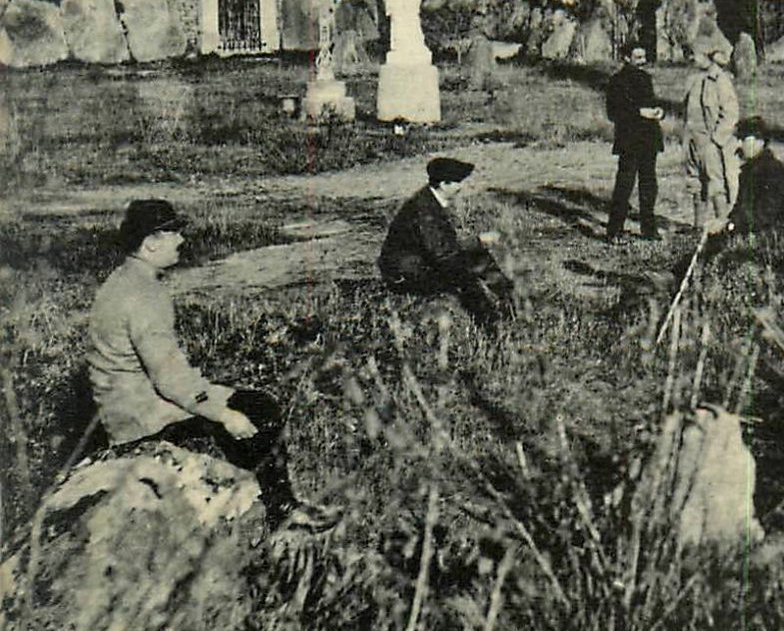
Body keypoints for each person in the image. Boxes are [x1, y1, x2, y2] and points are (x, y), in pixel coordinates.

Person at [86, 199, 338, 532]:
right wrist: (224, 415)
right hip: (144, 421)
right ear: (150, 243)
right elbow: (169, 380)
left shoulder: (120, 282)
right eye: (173, 232)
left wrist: (216, 394)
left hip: (122, 412)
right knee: (259, 409)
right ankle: (281, 509)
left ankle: (265, 502)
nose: (181, 239)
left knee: (234, 395)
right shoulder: (145, 296)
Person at [379, 157, 515, 326]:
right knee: (466, 277)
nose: (461, 187)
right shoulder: (425, 210)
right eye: (457, 182)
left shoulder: (428, 199)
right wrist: (479, 240)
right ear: (443, 184)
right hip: (407, 274)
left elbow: (440, 246)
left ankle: (510, 305)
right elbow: (443, 254)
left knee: (477, 259)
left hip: (415, 263)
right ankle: (492, 324)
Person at [604, 43, 664, 242]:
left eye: (644, 56)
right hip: (629, 141)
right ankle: (614, 231)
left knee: (649, 186)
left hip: (649, 140)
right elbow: (613, 113)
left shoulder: (646, 78)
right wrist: (639, 113)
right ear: (626, 58)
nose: (642, 61)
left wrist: (658, 111)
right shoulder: (617, 81)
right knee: (624, 185)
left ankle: (649, 230)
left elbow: (652, 102)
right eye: (637, 57)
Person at [683, 40, 740, 225]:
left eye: (696, 55)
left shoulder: (720, 80)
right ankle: (698, 226)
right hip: (692, 139)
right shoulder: (693, 79)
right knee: (695, 183)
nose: (692, 58)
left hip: (710, 142)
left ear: (707, 56)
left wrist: (716, 140)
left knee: (716, 184)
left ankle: (722, 223)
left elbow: (731, 114)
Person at [716, 116, 784, 238]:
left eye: (743, 138)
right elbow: (740, 209)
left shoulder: (774, 172)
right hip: (758, 232)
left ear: (759, 141)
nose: (739, 144)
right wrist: (726, 223)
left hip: (777, 236)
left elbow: (766, 214)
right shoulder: (748, 171)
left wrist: (732, 225)